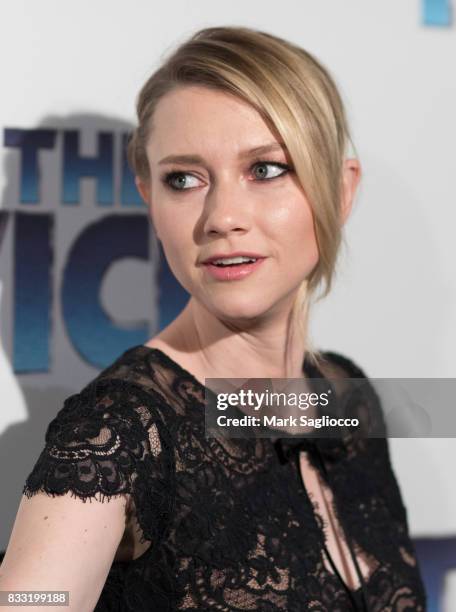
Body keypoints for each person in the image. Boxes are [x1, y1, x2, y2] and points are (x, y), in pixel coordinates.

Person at [0, 26, 427, 611]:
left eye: (266, 169)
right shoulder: (121, 431)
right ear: (150, 198)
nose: (223, 216)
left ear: (340, 188)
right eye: (184, 179)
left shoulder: (345, 396)